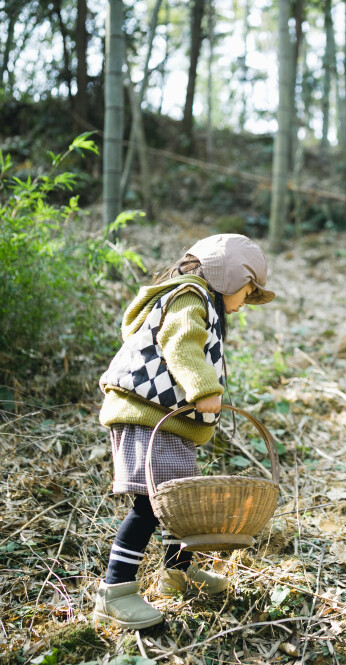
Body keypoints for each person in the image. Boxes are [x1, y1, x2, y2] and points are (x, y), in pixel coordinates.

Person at [93, 234, 276, 629]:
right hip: (146, 416)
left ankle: (177, 574)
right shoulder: (190, 297)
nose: (246, 300)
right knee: (149, 506)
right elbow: (181, 344)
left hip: (166, 420)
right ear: (228, 277)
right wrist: (204, 388)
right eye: (247, 290)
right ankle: (115, 591)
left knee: (176, 503)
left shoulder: (203, 301)